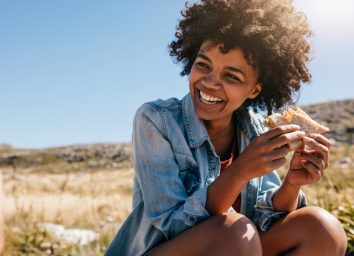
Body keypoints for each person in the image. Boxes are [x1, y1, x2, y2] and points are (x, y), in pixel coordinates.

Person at [106, 0, 347, 255]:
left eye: (231, 76)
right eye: (203, 65)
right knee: (235, 232)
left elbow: (266, 219)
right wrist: (240, 171)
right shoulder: (156, 120)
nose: (209, 83)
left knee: (322, 228)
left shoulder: (255, 130)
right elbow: (172, 225)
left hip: (237, 247)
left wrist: (292, 183)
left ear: (255, 89)